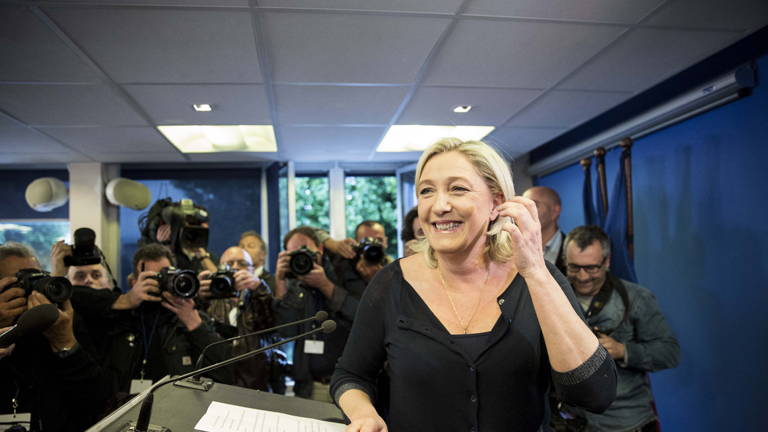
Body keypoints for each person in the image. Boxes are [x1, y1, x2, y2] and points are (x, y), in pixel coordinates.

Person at [330, 138, 617, 432]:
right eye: (426, 191)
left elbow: (594, 394)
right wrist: (363, 412)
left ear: (496, 203)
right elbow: (351, 375)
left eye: (458, 189)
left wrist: (535, 272)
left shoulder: (540, 279)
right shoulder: (391, 284)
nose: (439, 205)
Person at [68, 243, 233, 403]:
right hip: (122, 412)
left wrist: (195, 324)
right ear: (134, 281)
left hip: (176, 411)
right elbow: (71, 298)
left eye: (167, 277)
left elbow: (224, 375)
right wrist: (125, 300)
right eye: (154, 278)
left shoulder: (193, 319)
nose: (161, 284)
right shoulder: (117, 319)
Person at [562, 225, 679, 432]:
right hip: (573, 420)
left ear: (607, 262)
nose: (582, 277)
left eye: (591, 268)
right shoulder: (555, 299)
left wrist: (623, 350)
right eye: (574, 267)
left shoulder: (637, 298)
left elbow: (669, 353)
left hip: (626, 422)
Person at [0, 241, 107, 432]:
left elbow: (97, 400)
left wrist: (65, 343)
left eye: (38, 278)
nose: (34, 289)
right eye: (22, 281)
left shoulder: (62, 322)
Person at [273, 226, 364, 402]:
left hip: (350, 386)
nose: (302, 257)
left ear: (320, 249)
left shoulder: (343, 270)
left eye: (306, 250)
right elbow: (287, 332)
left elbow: (362, 317)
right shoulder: (292, 283)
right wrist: (280, 281)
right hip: (309, 387)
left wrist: (326, 286)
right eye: (294, 254)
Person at [199, 246, 285, 393]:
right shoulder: (209, 299)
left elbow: (276, 325)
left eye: (242, 264)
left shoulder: (259, 296)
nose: (235, 268)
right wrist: (197, 298)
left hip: (254, 386)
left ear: (252, 270)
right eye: (228, 264)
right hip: (214, 386)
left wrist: (259, 288)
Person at [523, 186, 566, 274]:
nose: (524, 211)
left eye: (533, 206)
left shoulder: (571, 250)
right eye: (523, 206)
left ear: (554, 212)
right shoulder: (513, 249)